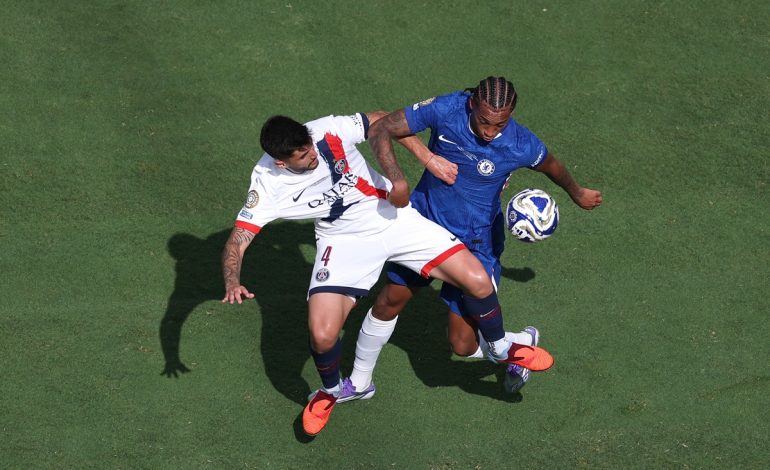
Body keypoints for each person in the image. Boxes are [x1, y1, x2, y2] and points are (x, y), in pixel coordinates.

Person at [221, 111, 553, 436]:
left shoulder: (326, 131)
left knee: (478, 281)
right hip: (343, 242)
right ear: (281, 162)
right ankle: (332, 392)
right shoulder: (267, 184)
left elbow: (384, 119)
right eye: (304, 155)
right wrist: (233, 281)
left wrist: (425, 159)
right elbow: (239, 238)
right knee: (322, 335)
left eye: (310, 146)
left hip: (394, 219)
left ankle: (500, 348)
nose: (313, 155)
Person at [336, 76, 602, 403]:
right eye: (484, 121)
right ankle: (359, 382)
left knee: (462, 345)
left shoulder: (521, 144)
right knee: (389, 300)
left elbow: (553, 166)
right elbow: (381, 126)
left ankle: (520, 342)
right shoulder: (448, 108)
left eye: (499, 124)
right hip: (424, 224)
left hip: (476, 243)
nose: (490, 132)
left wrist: (577, 193)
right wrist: (408, 171)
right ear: (473, 103)